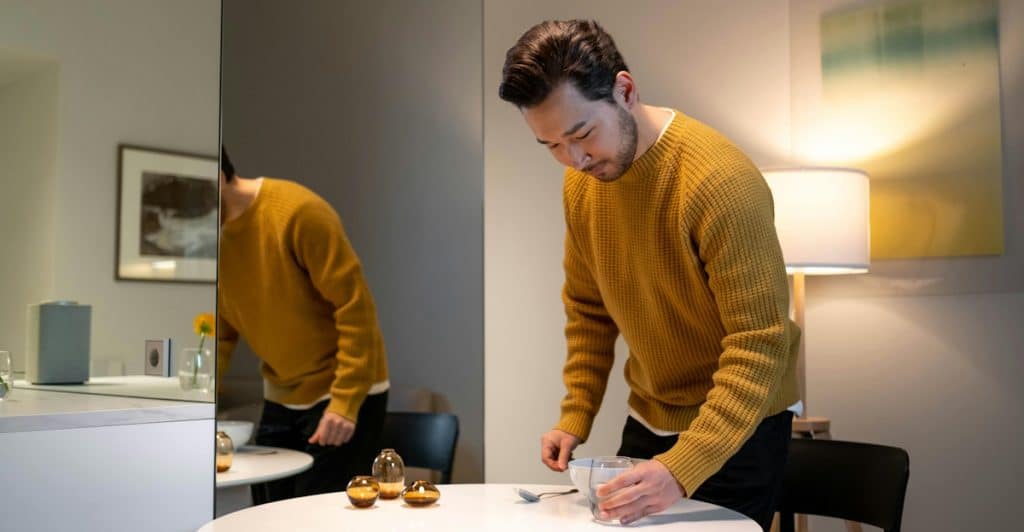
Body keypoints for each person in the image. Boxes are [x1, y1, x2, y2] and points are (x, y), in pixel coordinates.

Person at [499, 20, 800, 530]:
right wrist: (576, 413)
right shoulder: (582, 187)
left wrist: (680, 470)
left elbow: (759, 344)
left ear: (625, 89)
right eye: (550, 145)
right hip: (648, 417)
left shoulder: (719, 180)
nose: (573, 160)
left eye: (581, 134)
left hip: (739, 428)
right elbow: (589, 311)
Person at [216, 146, 390, 503]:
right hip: (282, 392)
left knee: (321, 516)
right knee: (266, 515)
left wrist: (344, 403)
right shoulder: (213, 239)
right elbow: (220, 334)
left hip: (340, 391)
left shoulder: (296, 211)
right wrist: (196, 401)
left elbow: (355, 308)